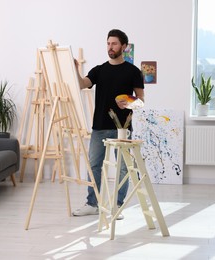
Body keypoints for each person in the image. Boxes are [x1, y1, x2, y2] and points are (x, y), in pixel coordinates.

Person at [72, 29, 145, 219]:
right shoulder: (99, 70)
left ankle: (118, 205)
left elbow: (141, 100)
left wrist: (129, 101)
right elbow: (81, 84)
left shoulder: (133, 71)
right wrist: (75, 69)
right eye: (108, 43)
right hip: (99, 127)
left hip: (122, 129)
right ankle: (92, 204)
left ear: (124, 46)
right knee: (94, 165)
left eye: (114, 43)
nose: (110, 47)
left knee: (122, 168)